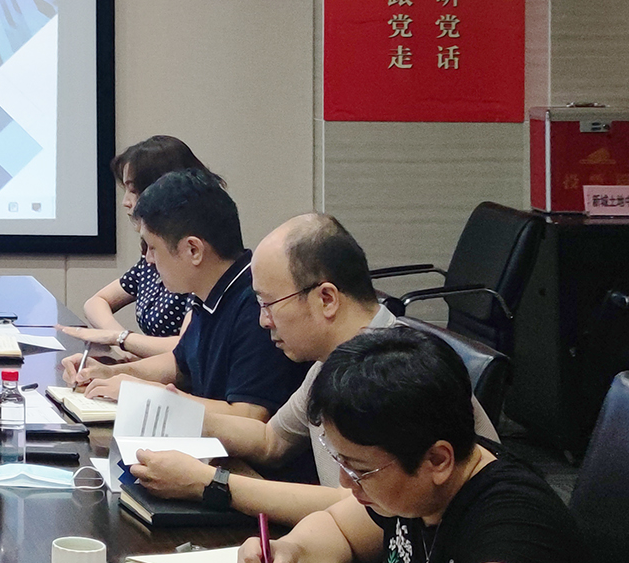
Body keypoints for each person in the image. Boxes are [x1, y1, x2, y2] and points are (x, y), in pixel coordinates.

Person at [239, 328, 629, 563]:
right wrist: (290, 551)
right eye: (341, 461)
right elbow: (340, 529)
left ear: (438, 460)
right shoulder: (413, 487)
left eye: (360, 469)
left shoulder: (513, 519)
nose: (345, 481)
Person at [125, 213, 497, 524]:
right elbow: (272, 441)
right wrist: (182, 413)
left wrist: (209, 483)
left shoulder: (393, 373)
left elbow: (358, 507)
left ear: (326, 299)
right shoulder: (332, 362)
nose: (263, 321)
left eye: (268, 304)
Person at [65, 169, 303, 422]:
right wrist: (110, 373)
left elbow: (249, 415)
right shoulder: (209, 292)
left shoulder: (256, 305)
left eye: (153, 247)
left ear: (193, 250)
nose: (149, 259)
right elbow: (181, 364)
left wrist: (141, 393)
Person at [57, 135, 209, 359]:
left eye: (133, 190)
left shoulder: (193, 259)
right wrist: (121, 343)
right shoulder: (151, 258)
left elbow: (184, 347)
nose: (125, 202)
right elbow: (95, 302)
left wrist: (122, 340)